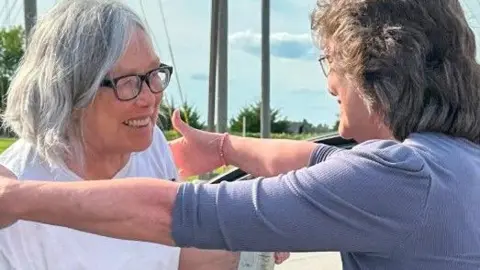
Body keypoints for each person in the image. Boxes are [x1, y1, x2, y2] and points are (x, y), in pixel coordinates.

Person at [0, 0, 479, 269]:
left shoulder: (401, 178)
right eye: (129, 81)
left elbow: (186, 215)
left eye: (331, 63)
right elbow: (316, 160)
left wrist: (17, 198)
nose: (330, 83)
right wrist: (226, 148)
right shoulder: (451, 160)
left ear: (375, 71)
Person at [0, 0, 289, 269]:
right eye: (128, 82)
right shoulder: (15, 197)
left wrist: (256, 239)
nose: (150, 96)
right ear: (71, 92)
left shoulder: (150, 149)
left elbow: (165, 255)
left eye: (154, 73)